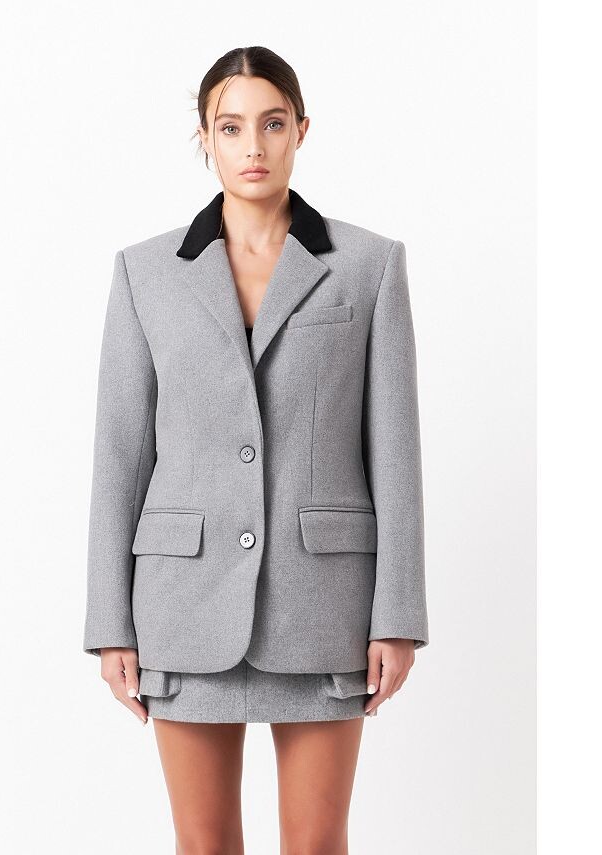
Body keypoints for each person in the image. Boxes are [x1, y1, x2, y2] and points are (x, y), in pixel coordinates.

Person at [83, 45, 429, 854]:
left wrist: (399, 614)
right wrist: (109, 622)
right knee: (203, 844)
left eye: (272, 124)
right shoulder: (144, 274)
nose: (253, 147)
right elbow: (119, 453)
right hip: (182, 604)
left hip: (324, 604)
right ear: (205, 137)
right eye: (231, 127)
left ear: (301, 131)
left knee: (316, 843)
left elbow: (396, 451)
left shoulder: (369, 267)